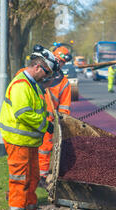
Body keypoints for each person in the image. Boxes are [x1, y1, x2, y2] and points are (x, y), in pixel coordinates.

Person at [0, 47, 58, 210]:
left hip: (28, 142)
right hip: (18, 143)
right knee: (20, 182)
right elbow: (23, 113)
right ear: (38, 67)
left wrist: (49, 121)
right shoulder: (21, 85)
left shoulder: (31, 85)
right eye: (47, 73)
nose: (47, 77)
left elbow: (38, 110)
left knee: (32, 180)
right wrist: (44, 125)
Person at [38, 46, 72, 181]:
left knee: (45, 148)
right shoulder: (39, 74)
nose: (59, 64)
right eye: (57, 60)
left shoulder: (64, 83)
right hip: (32, 118)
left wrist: (61, 123)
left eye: (62, 62)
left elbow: (64, 107)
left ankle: (42, 175)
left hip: (48, 122)